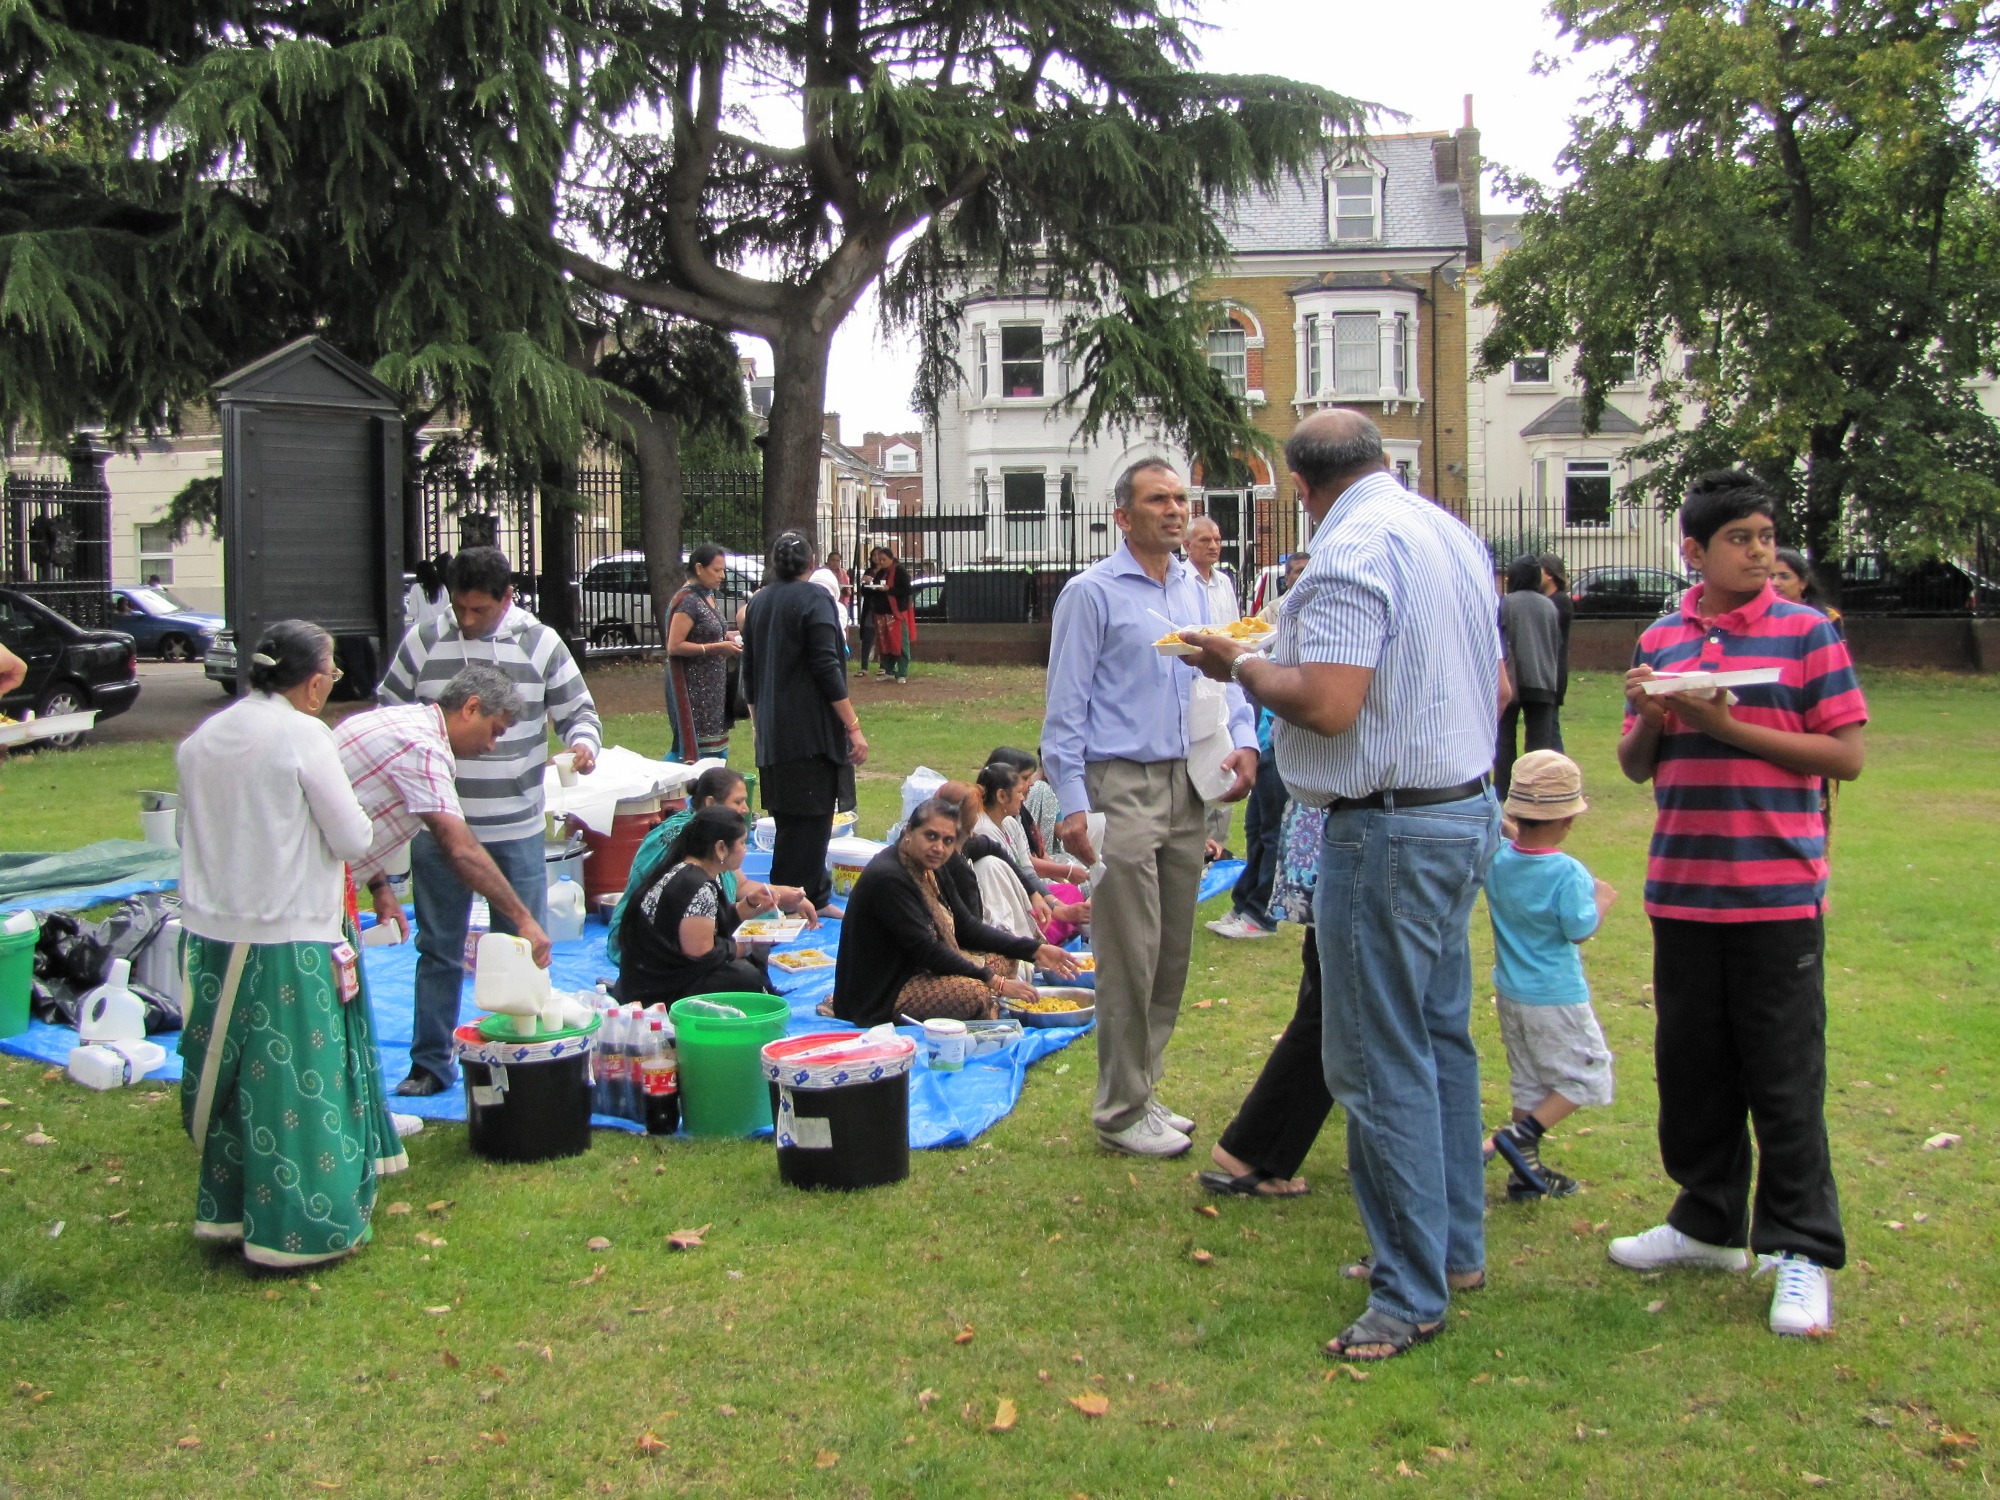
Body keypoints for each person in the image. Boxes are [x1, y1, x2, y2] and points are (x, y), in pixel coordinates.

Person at [1182, 409, 1505, 1362]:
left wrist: (1238, 662)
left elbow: (1325, 703)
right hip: (1462, 808)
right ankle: (1451, 1250)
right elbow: (1496, 681)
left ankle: (1409, 1293)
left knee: (1375, 1059)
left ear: (1300, 486)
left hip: (1391, 826)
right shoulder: (1449, 533)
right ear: (1381, 461)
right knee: (1439, 1035)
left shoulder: (1349, 547)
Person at [1612, 470, 1868, 1339]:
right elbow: (1636, 766)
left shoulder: (1808, 634)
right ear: (1695, 550)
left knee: (1784, 1076)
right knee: (1693, 1070)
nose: (1761, 552)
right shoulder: (1663, 634)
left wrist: (1727, 728)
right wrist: (1652, 711)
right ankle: (1707, 1222)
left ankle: (1800, 1249)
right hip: (1683, 888)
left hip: (1775, 893)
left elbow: (1844, 757)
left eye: (1766, 536)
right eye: (1742, 539)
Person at [1043, 458, 1258, 1158]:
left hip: (1188, 781)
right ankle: (1121, 1108)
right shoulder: (1093, 594)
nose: (1174, 510)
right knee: (1127, 952)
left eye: (1180, 498)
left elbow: (1226, 680)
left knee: (1169, 952)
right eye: (1157, 499)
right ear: (1123, 516)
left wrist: (1248, 742)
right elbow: (1064, 712)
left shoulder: (1196, 593)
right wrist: (1074, 807)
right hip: (1121, 785)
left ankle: (1143, 1089)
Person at [174, 620, 403, 1268]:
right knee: (298, 1087)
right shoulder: (305, 735)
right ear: (310, 682)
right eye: (330, 678)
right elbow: (352, 838)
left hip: (215, 933)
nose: (331, 689)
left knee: (236, 1080)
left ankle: (227, 1212)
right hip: (290, 933)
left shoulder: (202, 738)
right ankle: (302, 1228)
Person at [376, 545, 602, 1096]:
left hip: (515, 827)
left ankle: (520, 1057)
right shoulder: (426, 640)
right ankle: (431, 1063)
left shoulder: (539, 643)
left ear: (507, 598)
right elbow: (389, 711)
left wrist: (581, 745)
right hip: (442, 825)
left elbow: (579, 711)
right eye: (460, 608)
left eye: (480, 609)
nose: (467, 619)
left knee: (521, 945)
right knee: (438, 947)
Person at [335, 665, 554, 970]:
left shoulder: (394, 720)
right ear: (471, 707)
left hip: (312, 876)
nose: (491, 746)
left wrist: (380, 886)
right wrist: (524, 919)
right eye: (494, 731)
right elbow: (461, 848)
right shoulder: (423, 749)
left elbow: (358, 807)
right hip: (309, 893)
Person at [1482, 750, 1618, 1202]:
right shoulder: (1568, 872)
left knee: (1529, 1078)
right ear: (1567, 822)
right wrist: (1602, 899)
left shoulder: (1499, 861)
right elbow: (1578, 929)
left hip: (1511, 992)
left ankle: (1526, 1174)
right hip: (1556, 993)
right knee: (1588, 1073)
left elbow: (1505, 840)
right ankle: (1523, 1136)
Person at [831, 799, 1075, 1027]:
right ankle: (983, 1008)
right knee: (976, 993)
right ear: (908, 832)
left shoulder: (933, 865)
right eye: (931, 836)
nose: (938, 847)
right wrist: (994, 982)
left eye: (948, 841)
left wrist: (1033, 950)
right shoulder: (889, 877)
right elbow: (927, 951)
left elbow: (966, 928)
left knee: (1007, 959)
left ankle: (985, 1005)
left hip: (921, 969)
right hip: (884, 990)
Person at [1200, 802, 1330, 1199]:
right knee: (1332, 1008)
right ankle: (1254, 1149)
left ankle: (1257, 1146)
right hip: (1359, 830)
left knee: (1330, 998)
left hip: (1353, 830)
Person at [741, 530, 868, 911]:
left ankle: (812, 892)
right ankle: (795, 898)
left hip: (774, 730)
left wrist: (757, 724)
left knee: (791, 819)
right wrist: (853, 726)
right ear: (812, 565)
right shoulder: (816, 599)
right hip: (808, 730)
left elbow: (749, 674)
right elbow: (827, 666)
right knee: (809, 820)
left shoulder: (759, 604)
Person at [608, 766, 817, 967]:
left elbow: (740, 885)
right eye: (738, 802)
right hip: (650, 947)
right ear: (710, 803)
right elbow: (698, 952)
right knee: (746, 971)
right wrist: (741, 949)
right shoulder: (694, 871)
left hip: (683, 940)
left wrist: (781, 896)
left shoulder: (713, 840)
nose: (745, 809)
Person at [616, 806, 781, 1007]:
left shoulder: (688, 871)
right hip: (658, 989)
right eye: (741, 843)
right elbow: (702, 954)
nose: (745, 849)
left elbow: (709, 925)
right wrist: (745, 947)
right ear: (721, 848)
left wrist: (750, 905)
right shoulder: (697, 886)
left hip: (647, 978)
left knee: (748, 964)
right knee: (747, 976)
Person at [1186, 516, 1242, 854]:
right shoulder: (1181, 582)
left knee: (1225, 759)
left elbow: (1233, 631)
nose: (1213, 545)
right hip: (1195, 683)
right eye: (1205, 540)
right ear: (1187, 545)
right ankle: (1198, 842)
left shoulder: (1224, 583)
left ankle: (1216, 845)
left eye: (1217, 539)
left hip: (1224, 683)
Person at [665, 544, 742, 763]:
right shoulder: (688, 601)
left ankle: (714, 783)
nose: (723, 576)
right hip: (695, 689)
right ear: (699, 568)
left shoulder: (706, 596)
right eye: (717, 570)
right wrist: (716, 648)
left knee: (715, 746)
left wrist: (729, 638)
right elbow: (674, 645)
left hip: (713, 686)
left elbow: (709, 632)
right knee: (695, 750)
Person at [1495, 554, 1564, 796]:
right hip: (1543, 678)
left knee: (1504, 738)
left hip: (1512, 679)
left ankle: (1504, 789)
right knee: (1539, 744)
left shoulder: (1505, 603)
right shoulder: (1549, 605)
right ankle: (1538, 789)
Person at [862, 544, 915, 681]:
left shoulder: (900, 572)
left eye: (883, 559)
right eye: (879, 559)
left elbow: (907, 591)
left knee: (900, 642)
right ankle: (888, 669)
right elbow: (871, 590)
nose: (880, 562)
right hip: (881, 612)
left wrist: (889, 590)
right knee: (884, 642)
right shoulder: (881, 572)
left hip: (896, 613)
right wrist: (868, 584)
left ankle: (902, 671)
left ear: (891, 559)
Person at [1538, 553, 1573, 751]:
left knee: (1551, 730)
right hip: (1548, 671)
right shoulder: (1549, 601)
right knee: (1548, 728)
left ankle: (1560, 773)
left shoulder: (1560, 602)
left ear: (1550, 574)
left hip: (1554, 672)